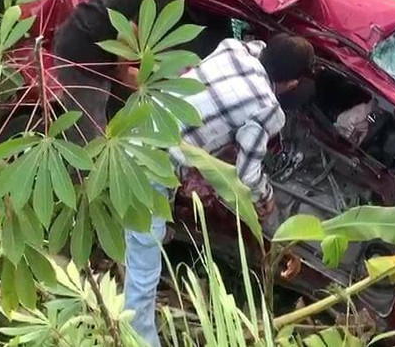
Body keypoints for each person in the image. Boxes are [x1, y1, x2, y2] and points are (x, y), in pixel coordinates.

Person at [124, 34, 314, 346]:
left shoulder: (232, 47)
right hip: (152, 164)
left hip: (137, 125)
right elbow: (247, 174)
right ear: (292, 84)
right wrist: (267, 199)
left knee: (139, 236)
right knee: (144, 272)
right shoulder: (267, 107)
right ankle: (140, 338)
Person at [52, 0, 232, 144]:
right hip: (83, 55)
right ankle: (84, 175)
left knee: (115, 113)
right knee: (91, 139)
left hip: (77, 28)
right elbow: (127, 35)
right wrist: (125, 73)